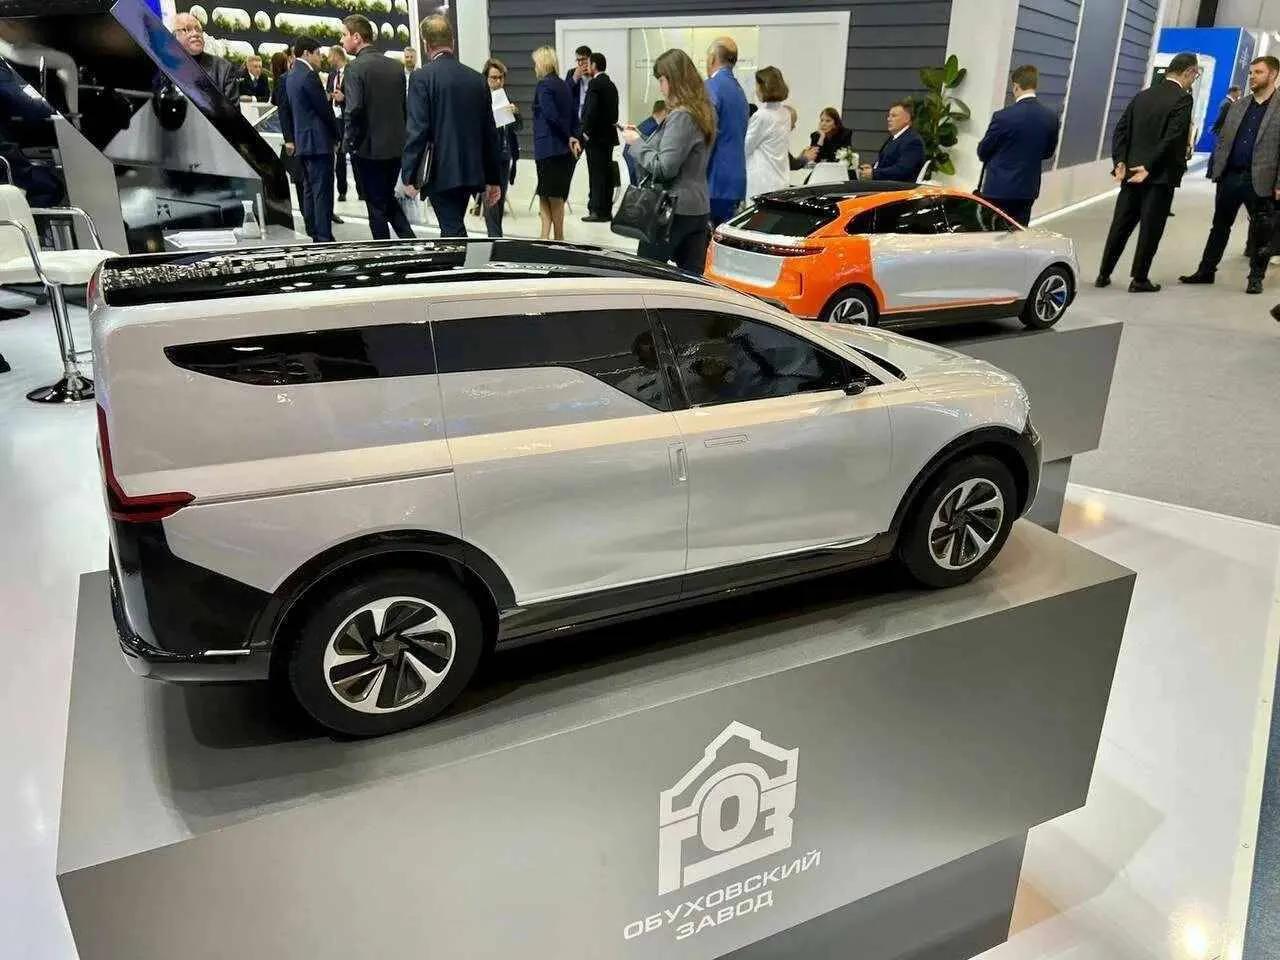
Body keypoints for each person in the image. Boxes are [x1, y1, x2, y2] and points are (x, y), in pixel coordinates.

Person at [1096, 52, 1198, 293]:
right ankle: (1139, 279)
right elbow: (1173, 136)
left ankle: (1104, 274)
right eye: (1195, 75)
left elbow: (1121, 130)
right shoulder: (1183, 99)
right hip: (1159, 177)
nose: (1193, 80)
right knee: (1150, 230)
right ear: (1188, 72)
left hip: (1132, 174)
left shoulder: (1142, 96)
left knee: (1120, 225)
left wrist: (1120, 161)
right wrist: (1150, 165)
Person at [1180, 56, 1280, 294]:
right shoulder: (1239, 105)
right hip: (1231, 177)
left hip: (1261, 180)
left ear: (1273, 75)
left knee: (1262, 232)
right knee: (1219, 227)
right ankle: (1206, 271)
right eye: (1251, 72)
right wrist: (1218, 170)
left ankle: (1255, 278)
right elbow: (1224, 139)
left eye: (1258, 72)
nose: (1252, 77)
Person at [401, 15, 500, 238]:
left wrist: (409, 175)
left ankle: (463, 261)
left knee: (452, 231)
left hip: (440, 172)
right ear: (452, 41)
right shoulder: (476, 79)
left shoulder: (421, 78)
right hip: (471, 169)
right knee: (452, 226)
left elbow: (417, 130)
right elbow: (489, 132)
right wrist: (493, 178)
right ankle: (458, 258)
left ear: (426, 44)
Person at [623, 48, 714, 274]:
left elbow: (664, 168)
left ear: (674, 79)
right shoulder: (704, 111)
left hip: (672, 210)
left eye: (662, 80)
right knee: (692, 281)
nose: (660, 87)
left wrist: (636, 143)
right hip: (697, 208)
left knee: (645, 274)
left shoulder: (681, 115)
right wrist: (643, 139)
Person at [341, 14, 416, 240]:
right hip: (395, 147)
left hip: (369, 149)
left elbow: (354, 109)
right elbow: (404, 108)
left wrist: (348, 143)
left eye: (344, 35)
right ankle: (410, 240)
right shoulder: (395, 67)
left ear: (356, 37)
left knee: (376, 205)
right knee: (385, 198)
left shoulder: (354, 68)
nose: (341, 40)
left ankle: (384, 252)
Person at [975, 64, 1061, 226]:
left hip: (998, 189)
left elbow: (983, 151)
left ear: (1015, 86)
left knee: (993, 233)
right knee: (1019, 232)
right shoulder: (1050, 117)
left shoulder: (1003, 117)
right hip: (1027, 190)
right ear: (1034, 85)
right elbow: (1048, 152)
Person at [280, 38, 339, 242]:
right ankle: (323, 237)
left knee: (309, 190)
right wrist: (336, 135)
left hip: (303, 143)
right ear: (307, 53)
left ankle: (313, 230)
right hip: (319, 142)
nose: (321, 58)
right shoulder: (309, 75)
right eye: (318, 54)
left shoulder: (290, 76)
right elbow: (323, 109)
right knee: (322, 192)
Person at [532, 45, 582, 240]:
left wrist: (568, 136)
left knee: (551, 195)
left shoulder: (544, 85)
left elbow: (550, 114)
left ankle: (557, 237)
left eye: (536, 63)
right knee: (548, 193)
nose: (534, 67)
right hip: (562, 151)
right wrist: (573, 136)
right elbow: (573, 115)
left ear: (543, 63)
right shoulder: (563, 85)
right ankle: (545, 236)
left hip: (549, 149)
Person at [704, 37, 748, 226]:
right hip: (736, 181)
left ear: (712, 58)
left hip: (714, 180)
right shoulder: (740, 91)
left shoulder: (711, 87)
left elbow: (706, 135)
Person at [478, 58, 520, 237]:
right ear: (486, 79)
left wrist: (515, 114)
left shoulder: (504, 97)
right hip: (488, 157)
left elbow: (517, 128)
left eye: (501, 78)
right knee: (492, 205)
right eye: (494, 78)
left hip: (504, 155)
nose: (498, 82)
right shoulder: (481, 98)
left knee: (499, 203)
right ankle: (495, 241)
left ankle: (497, 239)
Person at [581, 52, 619, 222]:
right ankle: (606, 210)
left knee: (596, 174)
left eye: (589, 63)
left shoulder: (595, 84)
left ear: (594, 65)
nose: (587, 67)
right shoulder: (611, 85)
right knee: (606, 173)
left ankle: (595, 210)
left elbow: (591, 110)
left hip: (595, 138)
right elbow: (614, 113)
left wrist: (586, 132)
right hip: (608, 137)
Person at [171, 13, 241, 103]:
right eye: (187, 29)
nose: (195, 34)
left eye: (198, 29)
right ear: (174, 36)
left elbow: (231, 109)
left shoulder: (224, 69)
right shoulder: (165, 67)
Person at [744, 66, 791, 198]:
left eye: (757, 85)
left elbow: (745, 148)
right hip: (780, 177)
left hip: (761, 181)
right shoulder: (786, 113)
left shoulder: (761, 116)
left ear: (764, 87)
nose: (756, 90)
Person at [858, 101, 926, 182]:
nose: (888, 119)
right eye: (888, 116)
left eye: (894, 116)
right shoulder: (894, 138)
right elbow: (886, 164)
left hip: (897, 187)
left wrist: (873, 173)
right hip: (883, 184)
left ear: (907, 118)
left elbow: (902, 170)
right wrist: (871, 168)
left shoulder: (913, 141)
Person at [326, 46, 359, 204]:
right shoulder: (332, 75)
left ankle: (362, 190)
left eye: (329, 56)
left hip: (350, 119)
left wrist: (344, 98)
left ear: (337, 56)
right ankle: (342, 191)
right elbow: (329, 92)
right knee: (339, 155)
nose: (328, 59)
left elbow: (356, 97)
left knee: (354, 155)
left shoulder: (352, 71)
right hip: (336, 119)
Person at [623, 100, 667, 185]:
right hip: (637, 167)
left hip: (631, 165)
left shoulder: (647, 124)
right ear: (663, 112)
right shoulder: (653, 128)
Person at [566, 46, 591, 122]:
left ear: (590, 59)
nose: (580, 63)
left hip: (591, 117)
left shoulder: (595, 72)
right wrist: (574, 79)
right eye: (578, 60)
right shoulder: (571, 73)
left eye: (583, 59)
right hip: (576, 118)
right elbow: (564, 93)